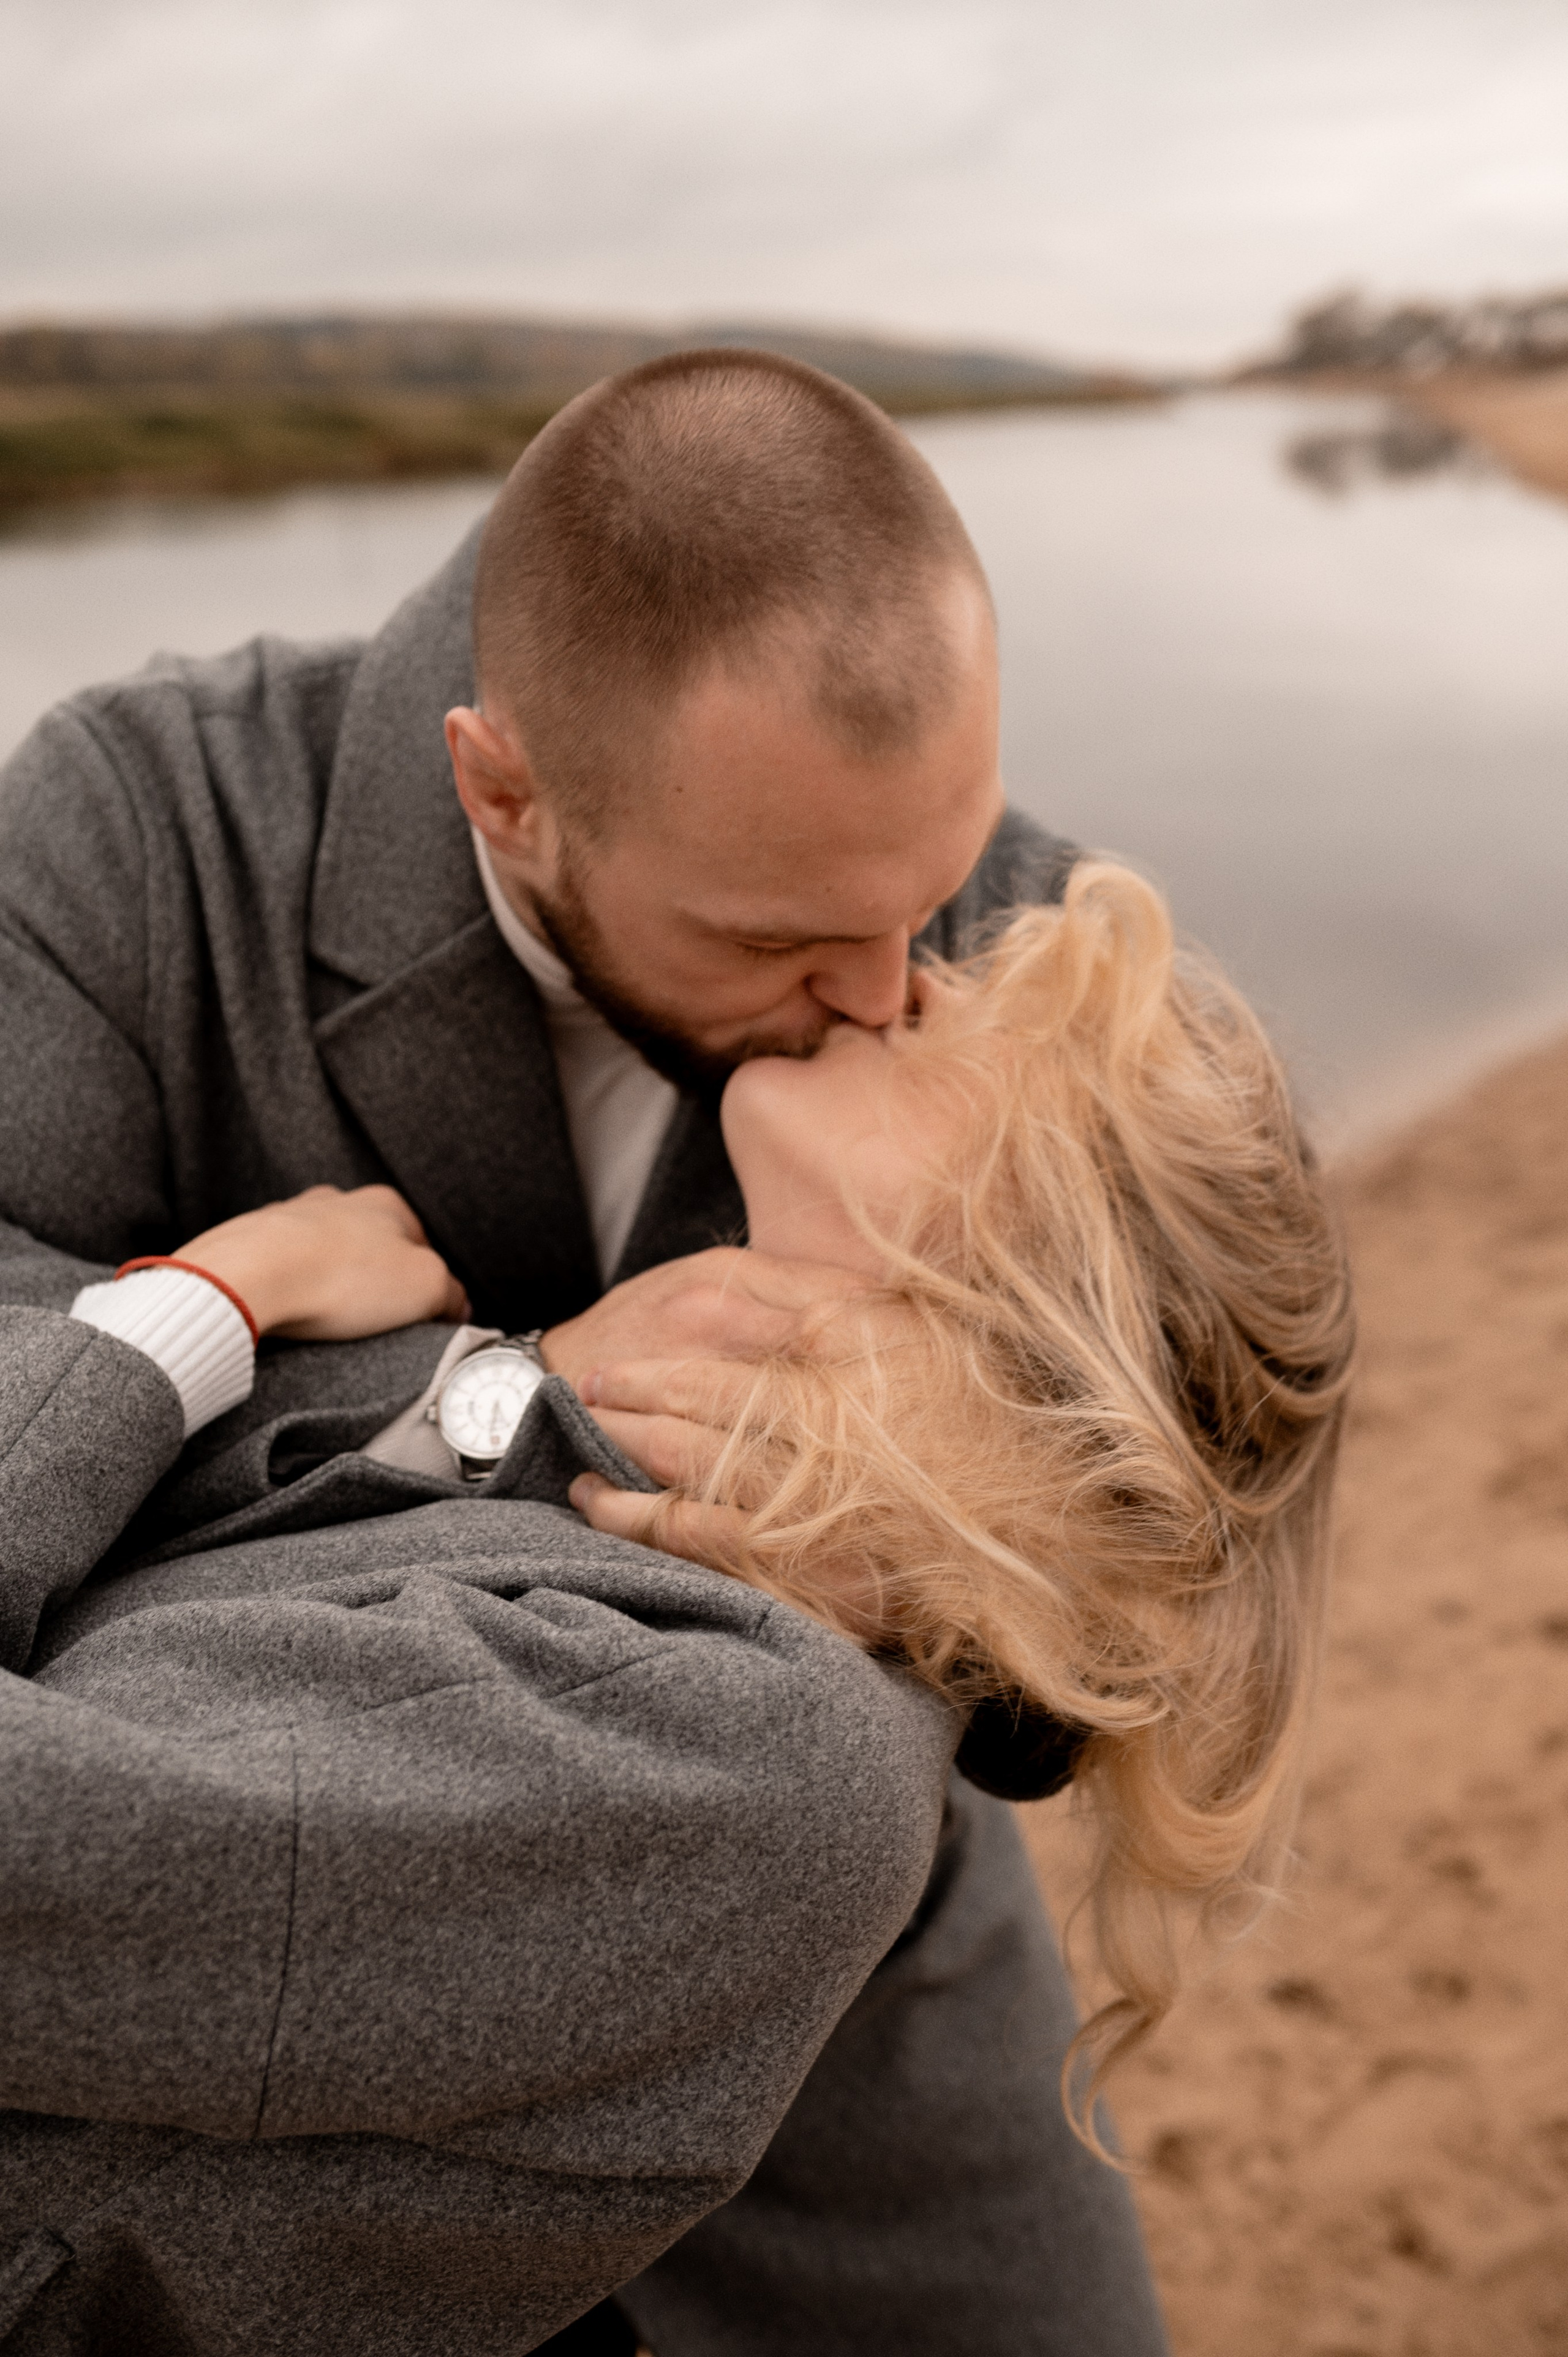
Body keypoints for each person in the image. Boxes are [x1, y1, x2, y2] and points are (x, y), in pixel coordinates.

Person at [0, 349, 1172, 2355]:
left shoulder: (976, 900)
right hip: (260, 1875)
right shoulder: (134, 822)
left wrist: (960, 1531)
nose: (897, 990)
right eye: (781, 941)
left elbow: (1186, 1448)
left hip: (840, 1934)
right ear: (505, 792)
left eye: (931, 891)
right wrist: (499, 1399)